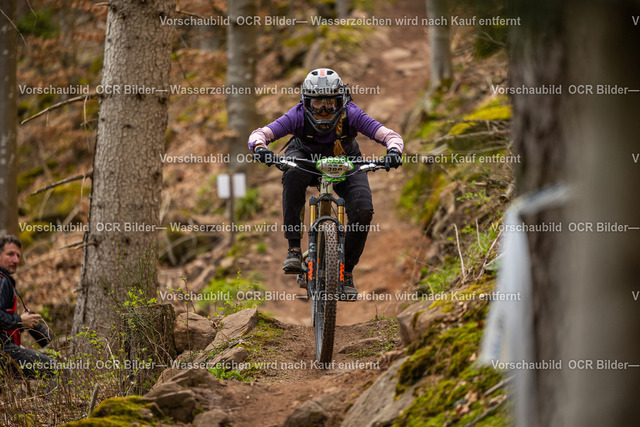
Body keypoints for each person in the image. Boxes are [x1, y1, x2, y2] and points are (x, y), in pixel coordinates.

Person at [248, 68, 403, 297]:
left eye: (330, 103)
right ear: (306, 102)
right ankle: (293, 249)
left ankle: (346, 272)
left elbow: (390, 136)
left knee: (363, 211)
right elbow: (260, 134)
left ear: (341, 101)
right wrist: (261, 148)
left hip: (346, 161)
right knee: (291, 175)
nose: (323, 110)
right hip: (305, 158)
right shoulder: (297, 115)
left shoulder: (352, 114)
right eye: (317, 103)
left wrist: (393, 151)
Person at [0, 235, 55, 381]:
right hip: (3, 351)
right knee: (57, 369)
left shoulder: (5, 280)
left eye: (18, 255)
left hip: (5, 348)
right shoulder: (2, 280)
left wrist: (24, 323)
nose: (16, 260)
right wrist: (20, 321)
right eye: (10, 254)